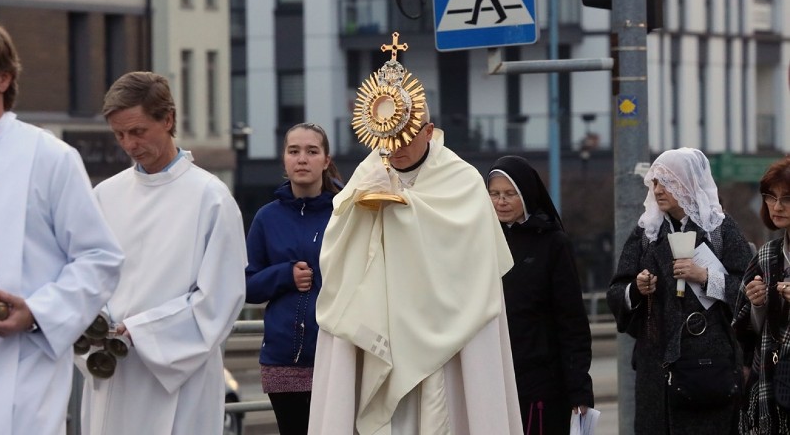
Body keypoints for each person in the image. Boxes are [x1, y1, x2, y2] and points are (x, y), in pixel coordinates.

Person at [0, 19, 124, 434]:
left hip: (19, 366)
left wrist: (39, 313)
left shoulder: (47, 157)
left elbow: (100, 258)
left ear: (4, 78)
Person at [309, 106, 524, 435]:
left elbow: (475, 259)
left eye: (407, 136)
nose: (397, 146)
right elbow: (338, 246)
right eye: (389, 136)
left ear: (428, 132)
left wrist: (405, 210)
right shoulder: (368, 174)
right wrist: (361, 207)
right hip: (385, 324)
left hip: (449, 327)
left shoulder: (462, 178)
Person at [78, 71, 247, 434]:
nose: (129, 144)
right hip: (114, 373)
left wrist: (140, 330)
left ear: (167, 119)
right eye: (120, 135)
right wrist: (94, 320)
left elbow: (219, 300)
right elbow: (84, 275)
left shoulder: (211, 198)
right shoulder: (105, 196)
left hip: (178, 378)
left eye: (137, 131)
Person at [607, 147, 751, 434]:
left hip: (707, 369)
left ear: (687, 184)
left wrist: (706, 276)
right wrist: (636, 289)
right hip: (656, 372)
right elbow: (616, 291)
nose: (658, 190)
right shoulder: (647, 232)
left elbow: (748, 293)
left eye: (666, 182)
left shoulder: (720, 230)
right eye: (655, 183)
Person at [246, 122, 343, 435]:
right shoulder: (266, 217)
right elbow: (246, 286)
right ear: (284, 160)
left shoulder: (345, 215)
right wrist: (284, 275)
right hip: (282, 359)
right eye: (294, 151)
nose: (302, 159)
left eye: (312, 151)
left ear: (326, 160)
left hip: (337, 353)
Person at [487, 156, 594, 434]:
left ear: (527, 193)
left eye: (510, 194)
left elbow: (571, 321)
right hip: (493, 378)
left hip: (541, 383)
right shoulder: (481, 238)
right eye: (495, 194)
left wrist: (579, 390)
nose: (501, 202)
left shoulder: (551, 243)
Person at [733, 156, 790, 433]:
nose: (777, 207)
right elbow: (748, 333)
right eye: (771, 197)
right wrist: (757, 305)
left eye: (787, 199)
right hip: (772, 382)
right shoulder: (767, 255)